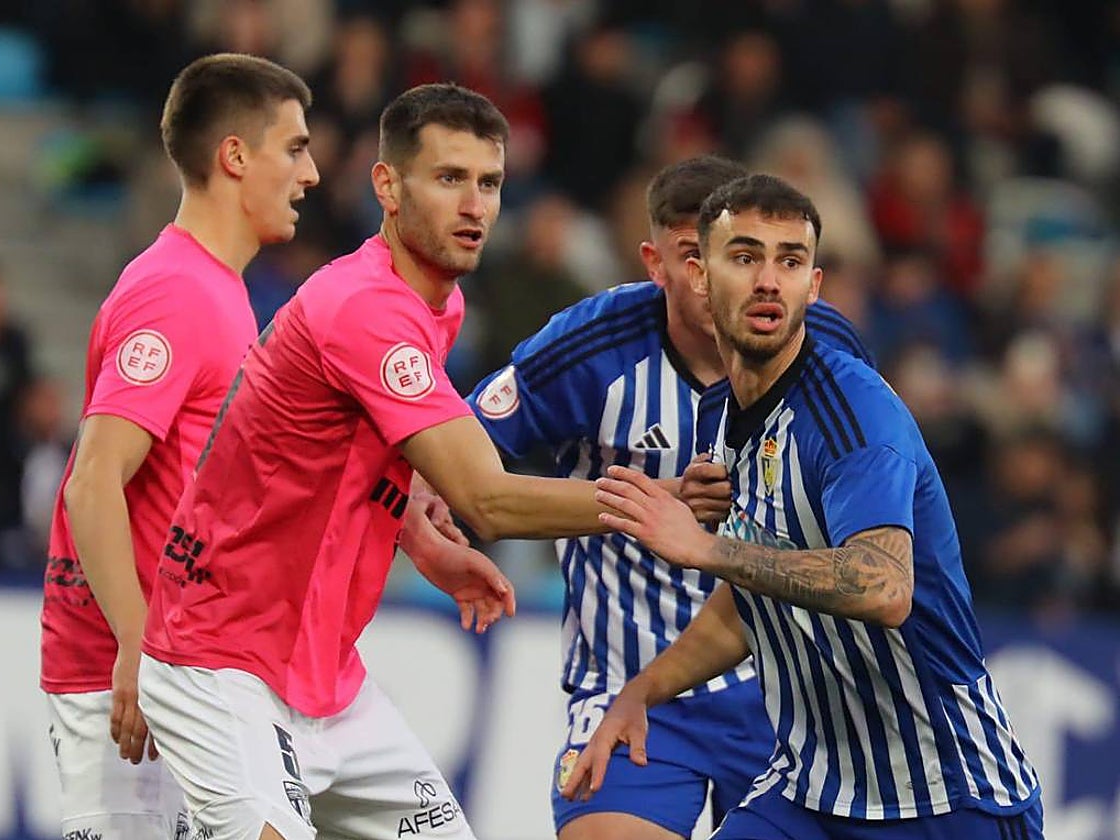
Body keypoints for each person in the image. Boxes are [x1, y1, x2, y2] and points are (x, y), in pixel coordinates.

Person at [137, 83, 645, 840]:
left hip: (327, 678)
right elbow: (489, 502)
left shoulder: (434, 302)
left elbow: (327, 450)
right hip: (223, 660)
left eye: (489, 183)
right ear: (388, 185)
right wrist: (647, 507)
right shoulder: (365, 307)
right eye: (448, 179)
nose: (474, 205)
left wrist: (416, 534)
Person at [563, 174, 1043, 840]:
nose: (768, 279)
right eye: (745, 256)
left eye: (789, 260)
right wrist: (643, 690)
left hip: (947, 798)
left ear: (812, 288)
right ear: (700, 277)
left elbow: (883, 586)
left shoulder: (854, 414)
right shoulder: (720, 415)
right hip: (810, 791)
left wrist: (706, 548)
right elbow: (745, 603)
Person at [467, 155, 874, 840]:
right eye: (695, 257)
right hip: (633, 693)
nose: (716, 280)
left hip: (787, 697)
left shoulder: (824, 344)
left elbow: (864, 503)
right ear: (656, 263)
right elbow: (459, 452)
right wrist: (425, 515)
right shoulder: (590, 346)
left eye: (740, 256)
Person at [38, 53, 321, 840]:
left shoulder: (219, 291)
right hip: (132, 675)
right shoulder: (176, 293)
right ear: (236, 156)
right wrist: (138, 648)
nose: (312, 173)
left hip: (188, 665)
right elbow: (92, 482)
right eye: (294, 148)